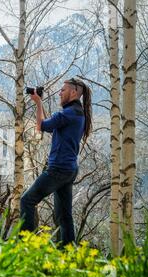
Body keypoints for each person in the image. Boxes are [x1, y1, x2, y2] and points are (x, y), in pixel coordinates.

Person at [20, 78, 92, 246]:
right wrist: (40, 103)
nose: (60, 93)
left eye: (63, 90)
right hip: (69, 170)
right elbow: (49, 125)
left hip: (58, 170)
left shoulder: (68, 114)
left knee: (27, 201)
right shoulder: (77, 112)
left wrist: (38, 103)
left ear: (74, 92)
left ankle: (26, 245)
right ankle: (69, 251)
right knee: (63, 215)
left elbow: (40, 126)